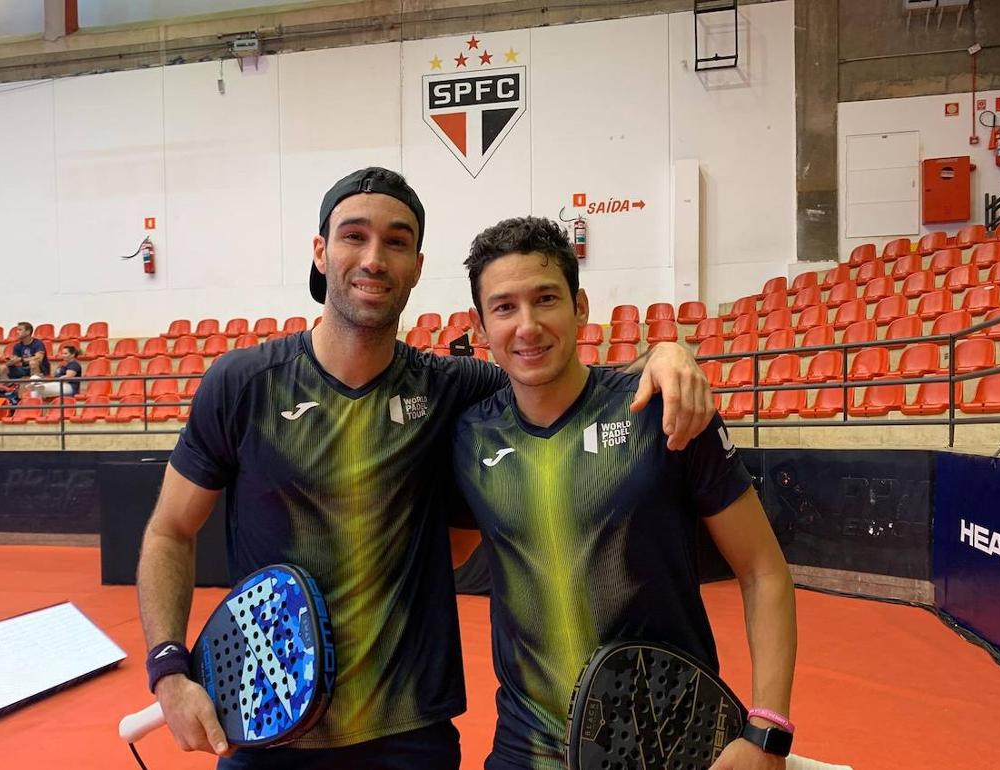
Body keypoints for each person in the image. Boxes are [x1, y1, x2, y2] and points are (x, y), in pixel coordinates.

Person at [135, 167, 715, 770]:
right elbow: (169, 531)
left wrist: (668, 351)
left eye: (397, 241)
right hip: (269, 729)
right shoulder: (242, 387)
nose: (374, 258)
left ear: (416, 264)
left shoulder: (454, 390)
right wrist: (169, 670)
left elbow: (567, 382)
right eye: (353, 236)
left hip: (410, 738)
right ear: (320, 251)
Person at [453, 216, 797, 770]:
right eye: (504, 307)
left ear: (580, 306)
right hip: (524, 752)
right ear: (479, 324)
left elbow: (762, 570)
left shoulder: (665, 411)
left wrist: (768, 732)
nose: (528, 325)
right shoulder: (468, 436)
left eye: (546, 299)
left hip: (667, 747)